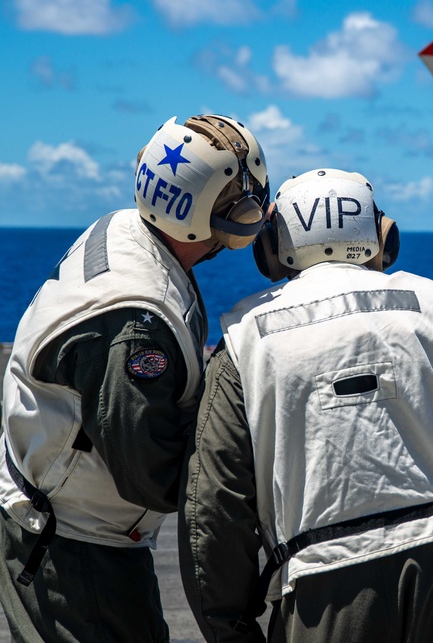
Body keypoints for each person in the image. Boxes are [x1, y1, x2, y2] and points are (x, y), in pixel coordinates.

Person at [179, 168, 433, 643]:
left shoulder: (245, 338)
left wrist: (229, 625)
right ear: (383, 237)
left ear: (271, 249)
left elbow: (215, 499)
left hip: (319, 580)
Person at [0, 114, 270, 642]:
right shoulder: (136, 324)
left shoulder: (127, 230)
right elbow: (151, 470)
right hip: (75, 550)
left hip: (73, 526)